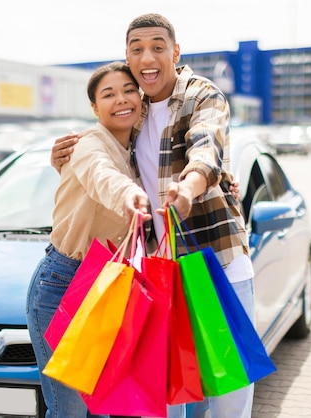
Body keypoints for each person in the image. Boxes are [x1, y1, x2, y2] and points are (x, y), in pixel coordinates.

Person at [51, 13, 255, 418]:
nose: (148, 56)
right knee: (166, 396)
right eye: (137, 49)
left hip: (215, 265)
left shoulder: (202, 95)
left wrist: (191, 186)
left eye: (158, 47)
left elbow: (206, 148)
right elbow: (104, 163)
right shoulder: (135, 109)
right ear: (127, 57)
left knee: (228, 393)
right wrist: (61, 162)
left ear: (175, 52)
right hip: (158, 275)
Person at [26, 61, 152, 418]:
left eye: (129, 90)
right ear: (95, 109)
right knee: (71, 410)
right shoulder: (86, 145)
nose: (122, 99)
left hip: (112, 284)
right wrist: (128, 195)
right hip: (65, 283)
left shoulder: (138, 147)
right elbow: (101, 175)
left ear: (141, 100)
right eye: (108, 94)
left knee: (108, 405)